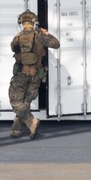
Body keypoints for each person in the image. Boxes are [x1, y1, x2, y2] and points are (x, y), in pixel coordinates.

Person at [8, 10, 60, 139]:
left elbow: (14, 49)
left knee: (15, 100)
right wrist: (45, 33)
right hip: (36, 75)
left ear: (21, 22)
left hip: (21, 74)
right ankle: (18, 127)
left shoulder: (17, 37)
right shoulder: (40, 36)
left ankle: (30, 122)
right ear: (34, 21)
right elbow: (56, 44)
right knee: (26, 102)